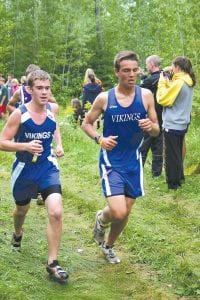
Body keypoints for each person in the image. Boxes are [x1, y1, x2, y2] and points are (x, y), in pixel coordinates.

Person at [81, 50, 159, 264]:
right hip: (111, 160)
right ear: (117, 72)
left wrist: (150, 126)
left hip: (133, 161)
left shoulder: (146, 96)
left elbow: (156, 130)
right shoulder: (105, 98)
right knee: (118, 210)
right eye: (126, 70)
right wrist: (99, 139)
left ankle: (108, 246)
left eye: (135, 70)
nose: (132, 74)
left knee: (125, 213)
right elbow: (86, 123)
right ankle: (100, 219)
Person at [0, 69, 68, 282]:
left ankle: (53, 263)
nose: (44, 92)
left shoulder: (52, 109)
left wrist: (59, 144)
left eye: (47, 88)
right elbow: (2, 142)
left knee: (56, 212)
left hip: (47, 168)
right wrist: (25, 146)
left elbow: (54, 127)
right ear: (29, 90)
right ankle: (18, 233)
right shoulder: (20, 114)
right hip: (24, 170)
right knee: (21, 210)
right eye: (39, 88)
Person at [157, 56, 196, 190]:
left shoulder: (179, 82)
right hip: (182, 122)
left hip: (172, 123)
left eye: (172, 67)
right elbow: (174, 93)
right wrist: (168, 81)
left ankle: (173, 184)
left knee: (171, 155)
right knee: (177, 152)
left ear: (178, 67)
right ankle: (179, 178)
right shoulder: (187, 81)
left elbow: (163, 99)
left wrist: (162, 82)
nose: (171, 69)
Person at [140, 55, 163, 177]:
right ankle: (156, 173)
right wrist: (143, 76)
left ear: (152, 64)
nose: (146, 66)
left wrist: (143, 79)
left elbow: (142, 87)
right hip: (162, 115)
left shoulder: (155, 79)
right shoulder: (164, 76)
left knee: (145, 143)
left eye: (147, 64)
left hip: (152, 115)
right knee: (158, 144)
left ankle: (138, 169)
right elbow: (150, 82)